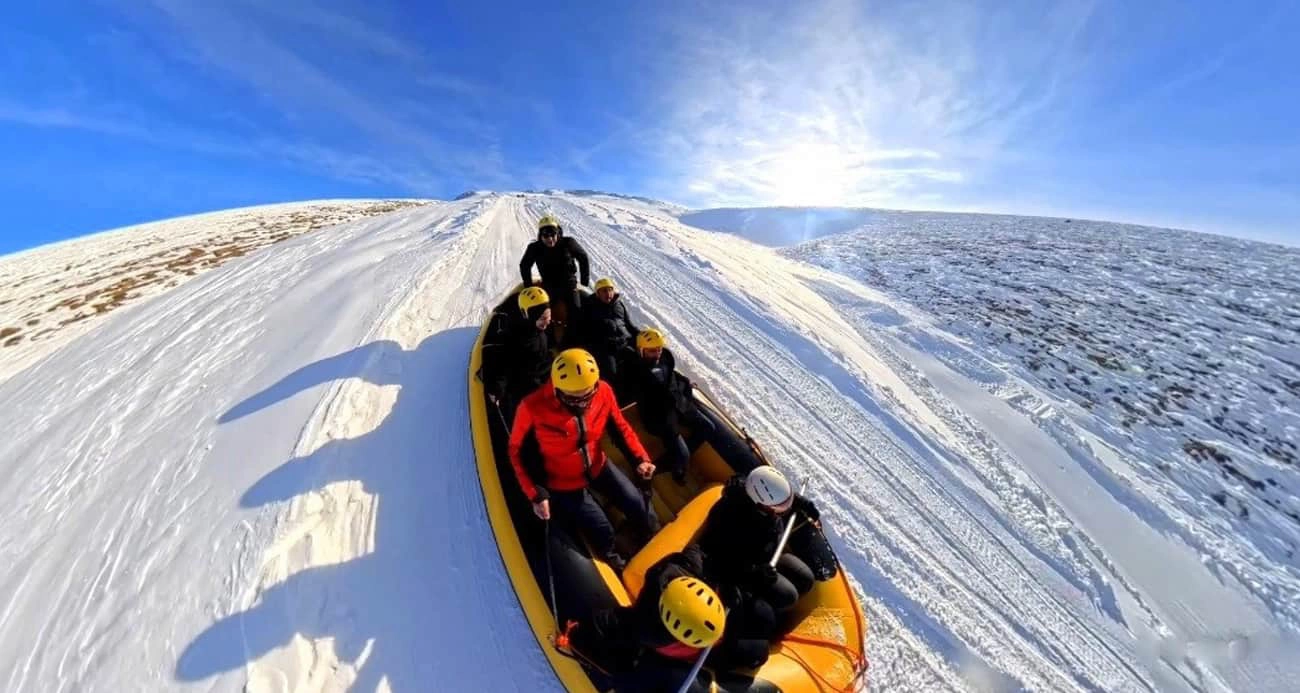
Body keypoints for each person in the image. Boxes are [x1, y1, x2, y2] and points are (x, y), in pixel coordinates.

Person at [508, 348, 659, 572]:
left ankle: (653, 539)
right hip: (563, 481)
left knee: (638, 504)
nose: (582, 403)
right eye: (574, 398)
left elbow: (621, 427)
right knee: (602, 530)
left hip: (598, 464)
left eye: (588, 395)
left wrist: (640, 458)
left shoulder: (604, 391)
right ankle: (616, 562)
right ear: (557, 389)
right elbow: (516, 451)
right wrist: (536, 494)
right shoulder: (532, 408)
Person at [565, 543, 775, 692]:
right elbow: (601, 626)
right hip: (681, 658)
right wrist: (574, 636)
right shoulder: (644, 627)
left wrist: (734, 585)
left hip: (709, 637)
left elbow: (697, 551)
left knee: (760, 648)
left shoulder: (692, 568)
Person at [697, 466, 823, 614]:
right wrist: (755, 574)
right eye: (779, 507)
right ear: (761, 506)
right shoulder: (730, 519)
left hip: (764, 557)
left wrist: (801, 502)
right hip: (739, 573)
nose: (784, 510)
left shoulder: (757, 498)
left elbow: (772, 491)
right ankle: (755, 615)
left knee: (805, 578)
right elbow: (724, 562)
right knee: (787, 596)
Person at [618, 328, 716, 484]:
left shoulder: (665, 358)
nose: (657, 354)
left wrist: (685, 382)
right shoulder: (634, 370)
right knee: (683, 455)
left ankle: (675, 458)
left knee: (708, 427)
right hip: (660, 417)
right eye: (651, 351)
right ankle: (658, 470)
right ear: (641, 350)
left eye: (659, 349)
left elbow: (671, 375)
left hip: (680, 405)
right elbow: (628, 390)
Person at [481, 286, 555, 422]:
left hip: (540, 383)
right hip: (521, 389)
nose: (547, 321)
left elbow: (542, 357)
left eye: (548, 316)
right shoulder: (516, 338)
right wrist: (497, 389)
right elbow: (504, 365)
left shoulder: (540, 332)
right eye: (543, 318)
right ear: (530, 317)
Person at [518, 214, 590, 332]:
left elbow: (583, 257)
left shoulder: (568, 243)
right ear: (540, 236)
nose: (550, 239)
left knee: (576, 312)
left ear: (558, 233)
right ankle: (548, 341)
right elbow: (524, 265)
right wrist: (528, 286)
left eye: (553, 234)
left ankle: (572, 340)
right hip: (549, 286)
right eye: (545, 235)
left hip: (569, 284)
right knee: (543, 313)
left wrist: (584, 281)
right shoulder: (534, 248)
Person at [578, 277, 640, 390]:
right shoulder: (590, 308)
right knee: (611, 374)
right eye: (604, 291)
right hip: (605, 349)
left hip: (623, 344)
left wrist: (641, 336)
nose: (608, 294)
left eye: (610, 290)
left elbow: (629, 325)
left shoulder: (619, 305)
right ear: (597, 293)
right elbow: (585, 331)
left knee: (639, 364)